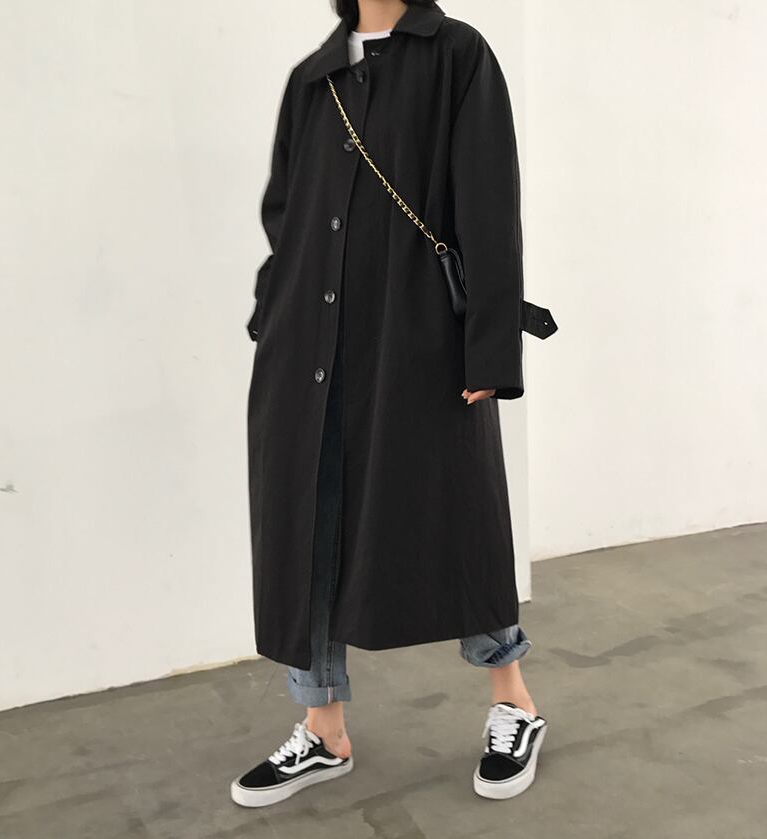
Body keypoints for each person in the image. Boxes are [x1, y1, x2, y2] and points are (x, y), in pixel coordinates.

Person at [232, 0, 548, 807]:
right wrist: (271, 321)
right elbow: (284, 216)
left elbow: (488, 202)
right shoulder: (314, 79)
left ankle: (513, 702)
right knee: (309, 523)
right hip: (307, 344)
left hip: (415, 338)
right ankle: (323, 728)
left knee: (459, 511)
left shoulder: (458, 55)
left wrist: (488, 347)